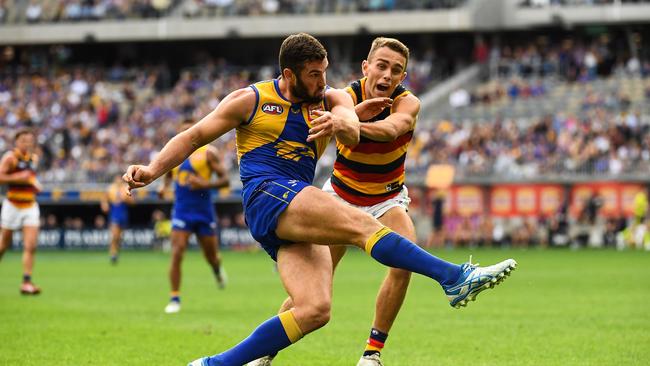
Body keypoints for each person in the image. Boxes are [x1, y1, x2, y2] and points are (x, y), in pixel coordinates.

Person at [122, 33, 517, 366]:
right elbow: (193, 137)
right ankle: (455, 278)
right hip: (267, 194)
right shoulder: (250, 100)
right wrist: (152, 170)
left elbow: (346, 121)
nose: (323, 81)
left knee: (313, 310)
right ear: (289, 74)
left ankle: (215, 364)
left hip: (294, 206)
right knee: (365, 226)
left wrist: (347, 119)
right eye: (314, 75)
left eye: (325, 72)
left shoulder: (329, 99)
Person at [250, 37, 428, 366]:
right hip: (341, 197)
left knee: (403, 262)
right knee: (312, 289)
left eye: (396, 70)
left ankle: (372, 354)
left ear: (403, 77)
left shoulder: (408, 103)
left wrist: (351, 124)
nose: (387, 75)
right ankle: (263, 353)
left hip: (386, 198)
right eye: (382, 65)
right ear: (366, 67)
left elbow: (391, 129)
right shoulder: (342, 98)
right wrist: (345, 119)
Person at [157, 119, 230, 314]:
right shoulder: (174, 153)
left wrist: (206, 185)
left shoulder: (207, 152)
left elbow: (225, 180)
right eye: (182, 132)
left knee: (211, 256)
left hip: (204, 211)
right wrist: (163, 188)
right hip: (181, 210)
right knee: (177, 251)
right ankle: (174, 298)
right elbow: (167, 174)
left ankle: (216, 269)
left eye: (188, 131)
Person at [0, 129, 43, 295]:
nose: (27, 143)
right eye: (23, 140)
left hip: (30, 205)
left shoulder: (34, 158)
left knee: (31, 245)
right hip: (12, 205)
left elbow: (29, 177)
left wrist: (34, 184)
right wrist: (19, 178)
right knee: (4, 244)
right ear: (16, 142)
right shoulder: (10, 158)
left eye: (29, 140)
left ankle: (26, 282)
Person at [101, 174, 134, 265]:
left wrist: (126, 199)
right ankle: (113, 254)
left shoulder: (126, 188)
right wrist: (105, 205)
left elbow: (132, 201)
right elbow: (104, 199)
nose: (118, 181)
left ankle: (116, 252)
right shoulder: (111, 189)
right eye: (117, 179)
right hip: (115, 213)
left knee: (119, 237)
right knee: (114, 235)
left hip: (123, 213)